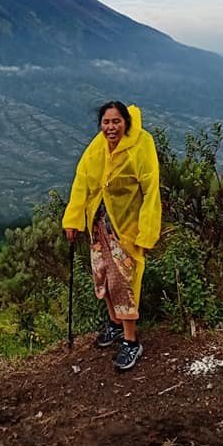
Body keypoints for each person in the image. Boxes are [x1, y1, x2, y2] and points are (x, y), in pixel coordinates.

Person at [62, 101, 161, 371]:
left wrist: (147, 232)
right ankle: (115, 324)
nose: (110, 127)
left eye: (116, 121)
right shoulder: (98, 146)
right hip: (99, 224)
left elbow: (152, 188)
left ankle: (131, 341)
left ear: (126, 122)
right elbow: (82, 180)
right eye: (106, 122)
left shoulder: (142, 144)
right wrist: (73, 219)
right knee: (103, 274)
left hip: (127, 226)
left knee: (123, 281)